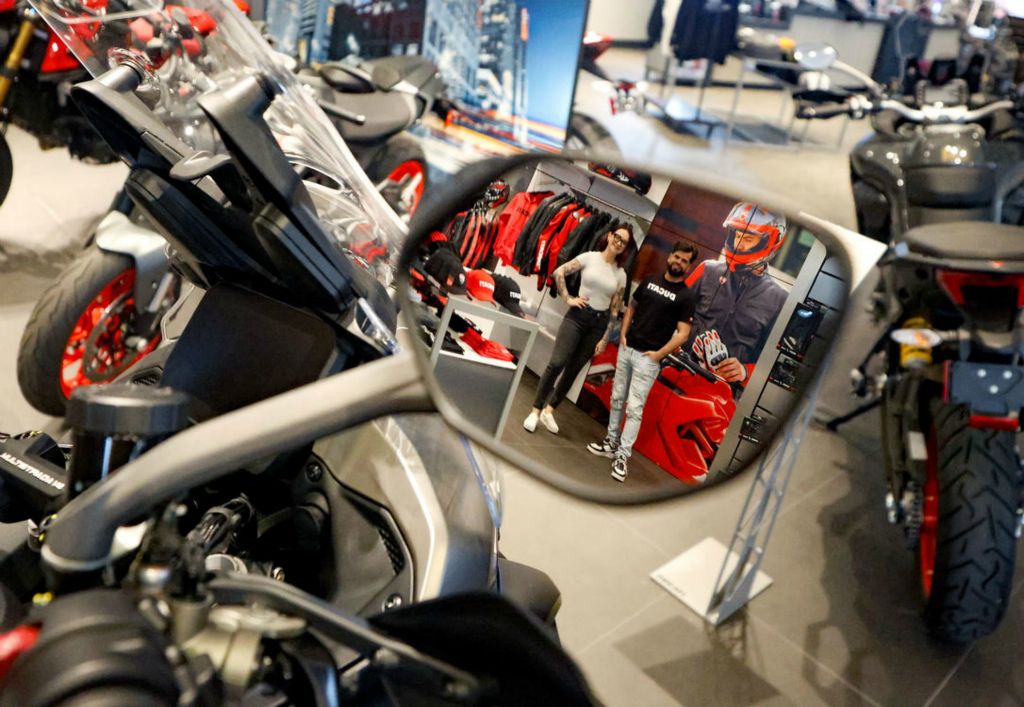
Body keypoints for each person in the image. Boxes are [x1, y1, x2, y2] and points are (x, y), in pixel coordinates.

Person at [587, 242, 698, 482]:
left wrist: (659, 354)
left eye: (684, 261)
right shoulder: (650, 280)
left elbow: (683, 333)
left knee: (634, 409)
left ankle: (622, 456)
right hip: (627, 350)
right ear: (670, 256)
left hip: (648, 360)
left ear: (689, 266)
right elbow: (631, 308)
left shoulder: (686, 296)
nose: (678, 262)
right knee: (617, 398)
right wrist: (624, 334)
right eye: (677, 257)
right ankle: (611, 443)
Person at [523, 226, 632, 434]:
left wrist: (605, 337)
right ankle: (535, 411)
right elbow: (559, 272)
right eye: (617, 237)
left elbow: (615, 309)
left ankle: (549, 410)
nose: (618, 242)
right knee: (556, 363)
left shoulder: (621, 274)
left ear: (625, 247)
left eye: (624, 241)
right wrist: (569, 299)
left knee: (572, 371)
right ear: (609, 236)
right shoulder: (590, 257)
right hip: (577, 317)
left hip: (598, 325)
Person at [686, 201, 788, 387]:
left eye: (748, 239)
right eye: (737, 235)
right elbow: (668, 312)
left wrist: (746, 372)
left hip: (724, 396)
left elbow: (776, 364)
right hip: (678, 372)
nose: (738, 244)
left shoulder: (780, 300)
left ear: (770, 242)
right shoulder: (706, 270)